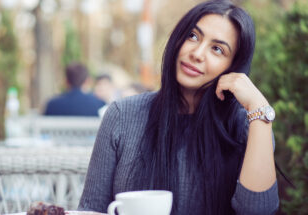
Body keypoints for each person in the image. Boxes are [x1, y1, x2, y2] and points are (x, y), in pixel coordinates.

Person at [78, 1, 279, 214]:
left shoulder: (248, 125)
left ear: (233, 67)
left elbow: (258, 210)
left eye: (217, 49)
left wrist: (260, 109)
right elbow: (90, 209)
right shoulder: (122, 115)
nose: (197, 53)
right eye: (193, 36)